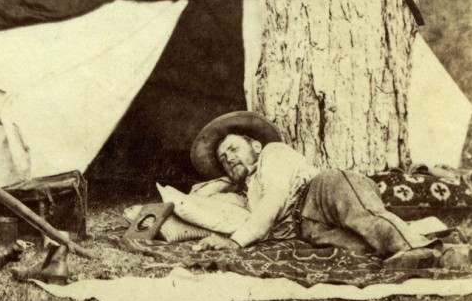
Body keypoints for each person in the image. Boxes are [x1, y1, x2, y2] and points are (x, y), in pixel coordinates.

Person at [186, 111, 440, 267]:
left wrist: (235, 242)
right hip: (307, 228)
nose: (228, 158)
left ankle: (413, 248)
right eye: (222, 158)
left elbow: (273, 200)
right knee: (366, 249)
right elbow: (195, 198)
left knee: (371, 222)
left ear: (256, 146)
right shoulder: (246, 189)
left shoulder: (273, 154)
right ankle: (445, 251)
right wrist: (228, 178)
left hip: (322, 192)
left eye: (233, 149)